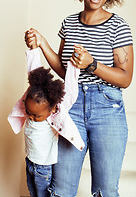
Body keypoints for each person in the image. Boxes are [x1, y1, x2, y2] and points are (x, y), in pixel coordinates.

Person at [24, 0, 134, 196]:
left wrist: (92, 64)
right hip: (70, 107)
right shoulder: (69, 23)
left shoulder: (119, 26)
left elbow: (125, 78)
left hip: (107, 108)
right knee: (61, 189)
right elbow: (65, 71)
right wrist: (42, 44)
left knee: (105, 190)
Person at [8, 48, 84, 197]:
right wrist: (34, 50)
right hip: (29, 162)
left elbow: (70, 91)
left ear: (53, 108)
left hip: (43, 169)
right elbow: (34, 73)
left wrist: (74, 65)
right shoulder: (33, 103)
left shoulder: (55, 115)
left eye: (36, 115)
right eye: (28, 112)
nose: (30, 117)